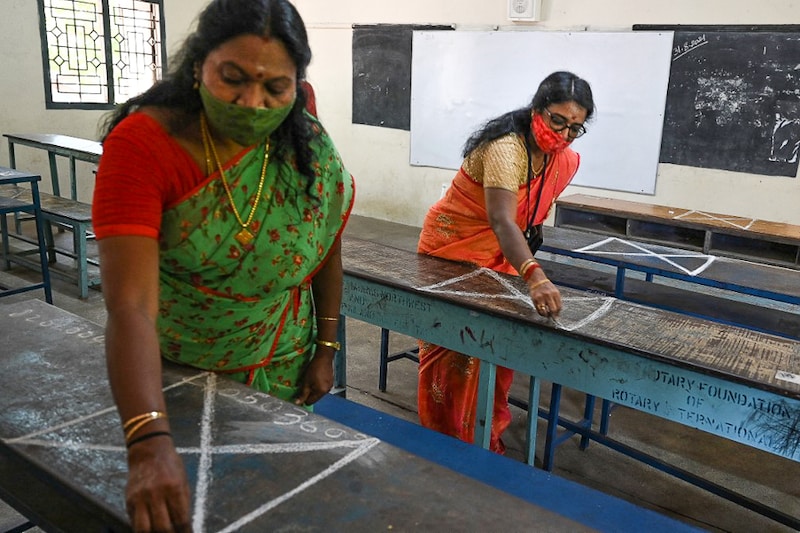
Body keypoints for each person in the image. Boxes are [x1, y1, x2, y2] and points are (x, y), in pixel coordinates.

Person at [92, 0, 355, 530]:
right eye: (232, 78)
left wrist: (326, 348)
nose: (252, 103)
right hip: (179, 369)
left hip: (284, 357)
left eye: (274, 88)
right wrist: (147, 439)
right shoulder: (145, 146)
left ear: (296, 85)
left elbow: (325, 245)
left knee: (267, 504)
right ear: (198, 65)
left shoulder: (303, 142)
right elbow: (131, 306)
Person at [416, 71, 594, 454]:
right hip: (453, 251)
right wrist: (535, 276)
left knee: (496, 344)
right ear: (537, 110)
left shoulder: (562, 159)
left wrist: (524, 268)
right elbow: (501, 220)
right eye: (557, 121)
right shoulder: (505, 149)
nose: (563, 136)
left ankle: (485, 433)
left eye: (574, 128)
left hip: (503, 257)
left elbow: (524, 220)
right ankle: (449, 443)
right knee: (456, 347)